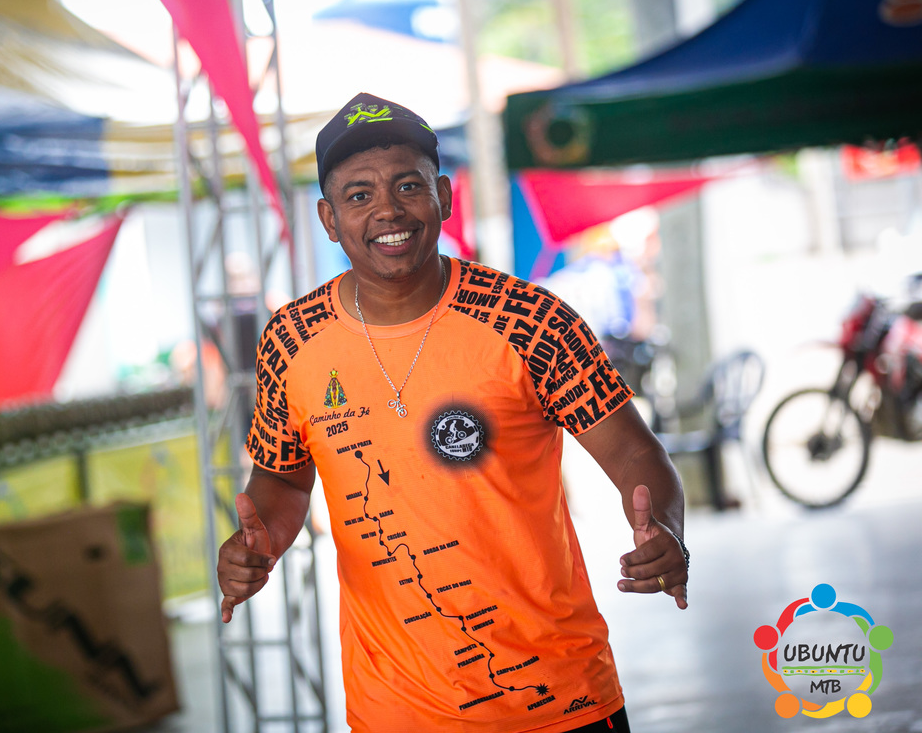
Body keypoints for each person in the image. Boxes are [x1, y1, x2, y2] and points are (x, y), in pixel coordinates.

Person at [217, 93, 688, 733]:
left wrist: (665, 527)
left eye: (408, 185)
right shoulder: (291, 339)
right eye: (358, 195)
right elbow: (282, 480)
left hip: (559, 698)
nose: (388, 209)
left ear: (442, 195)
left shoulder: (529, 321)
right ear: (328, 218)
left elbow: (635, 451)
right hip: (395, 711)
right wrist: (260, 543)